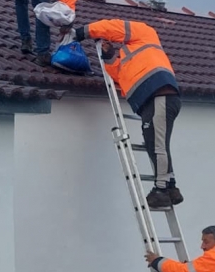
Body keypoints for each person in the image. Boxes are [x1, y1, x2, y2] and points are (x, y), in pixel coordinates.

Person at [70, 19, 182, 208]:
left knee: (157, 145)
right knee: (154, 143)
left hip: (160, 95)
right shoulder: (129, 57)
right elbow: (119, 77)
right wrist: (109, 56)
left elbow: (112, 27)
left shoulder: (144, 33)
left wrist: (82, 32)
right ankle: (170, 187)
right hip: (152, 100)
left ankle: (161, 189)